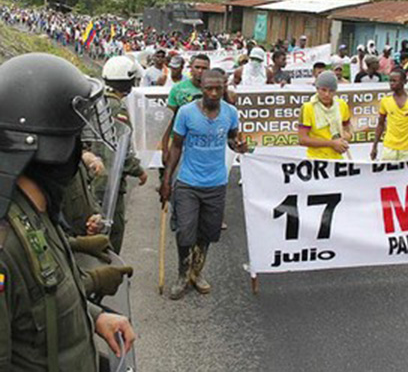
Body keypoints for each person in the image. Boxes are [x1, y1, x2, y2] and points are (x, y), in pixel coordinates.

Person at [0, 53, 135, 371]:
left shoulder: (36, 213)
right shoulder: (6, 245)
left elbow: (43, 301)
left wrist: (95, 316)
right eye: (75, 140)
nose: (80, 151)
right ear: (50, 150)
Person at [159, 70, 248, 300]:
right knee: (185, 233)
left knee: (207, 233)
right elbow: (176, 146)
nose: (214, 93)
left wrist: (238, 146)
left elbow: (231, 137)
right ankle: (182, 275)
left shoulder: (230, 113)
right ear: (202, 88)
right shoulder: (186, 113)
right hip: (188, 182)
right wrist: (166, 180)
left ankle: (197, 273)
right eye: (209, 88)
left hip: (216, 184)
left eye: (218, 88)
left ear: (223, 88)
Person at [94, 55, 148, 253]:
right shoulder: (117, 108)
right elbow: (120, 149)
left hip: (93, 179)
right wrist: (139, 170)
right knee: (112, 230)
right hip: (109, 183)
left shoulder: (96, 101)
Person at [162, 54, 211, 166]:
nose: (200, 71)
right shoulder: (178, 89)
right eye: (197, 67)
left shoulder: (214, 89)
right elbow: (168, 119)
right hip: (180, 144)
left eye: (204, 68)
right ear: (190, 69)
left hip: (206, 146)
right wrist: (165, 149)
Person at [371, 68, 408, 161]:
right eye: (390, 81)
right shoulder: (385, 100)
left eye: (394, 81)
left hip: (407, 148)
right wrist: (374, 146)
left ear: (404, 82)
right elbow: (380, 124)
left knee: (405, 175)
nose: (391, 83)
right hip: (389, 147)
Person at [298, 71, 353, 160]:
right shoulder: (307, 108)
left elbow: (348, 128)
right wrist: (332, 143)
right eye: (323, 90)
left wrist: (347, 137)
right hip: (316, 159)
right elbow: (302, 140)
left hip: (337, 158)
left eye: (331, 91)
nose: (327, 94)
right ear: (317, 89)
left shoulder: (342, 105)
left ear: (335, 91)